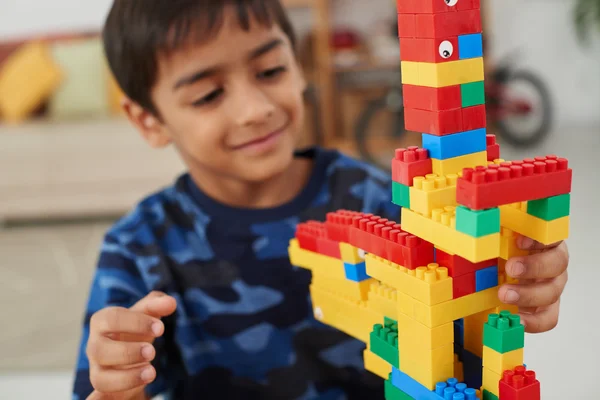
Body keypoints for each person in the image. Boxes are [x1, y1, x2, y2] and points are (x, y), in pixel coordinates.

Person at [72, 1, 570, 399]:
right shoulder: (138, 250)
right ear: (148, 120)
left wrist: (521, 279)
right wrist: (119, 386)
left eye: (269, 70)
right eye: (208, 96)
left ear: (299, 64)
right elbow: (105, 384)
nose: (255, 109)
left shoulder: (376, 197)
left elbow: (470, 317)